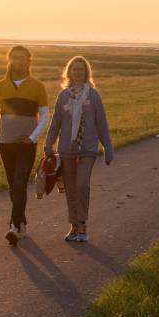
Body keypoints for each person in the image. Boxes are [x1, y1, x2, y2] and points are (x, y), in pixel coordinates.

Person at [0, 45, 50, 246]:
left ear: (29, 61)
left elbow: (45, 115)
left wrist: (33, 137)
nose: (18, 61)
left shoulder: (38, 86)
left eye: (22, 58)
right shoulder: (0, 86)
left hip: (26, 145)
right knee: (14, 187)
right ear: (9, 60)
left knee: (20, 183)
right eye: (14, 58)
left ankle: (13, 226)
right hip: (6, 143)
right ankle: (22, 223)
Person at [45, 55, 114, 243]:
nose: (77, 72)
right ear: (69, 72)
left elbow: (102, 124)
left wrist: (108, 148)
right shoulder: (63, 96)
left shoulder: (93, 95)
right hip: (67, 149)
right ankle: (73, 225)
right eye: (74, 69)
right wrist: (48, 143)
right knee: (70, 188)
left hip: (88, 148)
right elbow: (55, 123)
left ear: (86, 72)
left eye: (81, 69)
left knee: (82, 185)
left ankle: (83, 224)